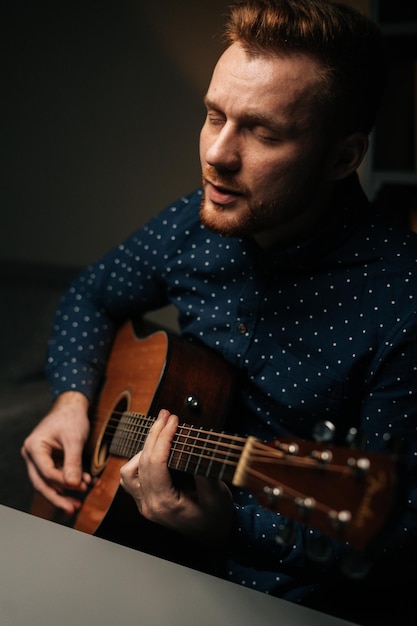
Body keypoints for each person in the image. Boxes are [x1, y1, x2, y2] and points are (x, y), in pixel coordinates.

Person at [21, 1, 417, 623]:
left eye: (263, 132)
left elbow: (402, 530)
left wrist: (230, 524)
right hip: (143, 555)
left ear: (344, 158)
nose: (217, 155)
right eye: (214, 117)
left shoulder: (404, 299)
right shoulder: (192, 225)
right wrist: (71, 400)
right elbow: (91, 295)